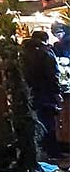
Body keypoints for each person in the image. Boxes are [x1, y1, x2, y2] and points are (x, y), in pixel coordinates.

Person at [23, 30, 62, 158]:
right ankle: (52, 152)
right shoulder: (46, 52)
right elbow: (52, 75)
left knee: (36, 120)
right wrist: (57, 92)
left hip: (29, 92)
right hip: (45, 92)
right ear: (45, 39)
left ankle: (39, 150)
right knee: (49, 121)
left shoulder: (23, 52)